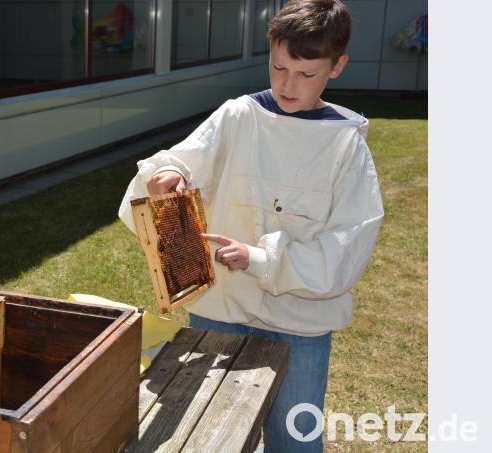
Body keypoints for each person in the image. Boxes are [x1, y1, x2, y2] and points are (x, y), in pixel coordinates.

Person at [117, 0, 384, 451]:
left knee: (294, 441)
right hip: (221, 312)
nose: (287, 85)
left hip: (300, 327)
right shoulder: (238, 115)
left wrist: (259, 259)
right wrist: (171, 174)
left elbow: (345, 250)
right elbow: (185, 160)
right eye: (278, 68)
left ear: (337, 66)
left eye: (306, 74)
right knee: (207, 436)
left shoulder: (346, 143)